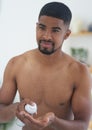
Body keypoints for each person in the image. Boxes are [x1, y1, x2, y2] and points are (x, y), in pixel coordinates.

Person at [0, 1, 91, 130]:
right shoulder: (16, 64)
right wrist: (15, 108)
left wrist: (54, 121)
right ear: (36, 27)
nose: (46, 36)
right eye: (42, 27)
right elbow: (1, 113)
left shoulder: (79, 72)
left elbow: (82, 125)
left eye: (55, 30)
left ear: (66, 34)